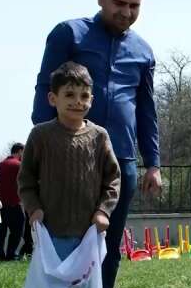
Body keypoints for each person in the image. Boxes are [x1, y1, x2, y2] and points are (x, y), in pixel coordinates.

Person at [32, 0, 161, 288]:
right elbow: (44, 89)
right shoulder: (68, 34)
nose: (125, 12)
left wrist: (152, 162)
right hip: (68, 157)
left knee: (107, 246)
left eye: (134, 6)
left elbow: (146, 110)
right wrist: (46, 146)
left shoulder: (143, 50)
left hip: (121, 161)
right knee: (63, 244)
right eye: (119, 3)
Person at [18, 61, 122, 271]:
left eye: (84, 96)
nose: (77, 101)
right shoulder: (41, 136)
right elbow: (26, 179)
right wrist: (34, 209)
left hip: (90, 234)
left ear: (92, 100)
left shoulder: (99, 136)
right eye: (69, 94)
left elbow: (113, 178)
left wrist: (104, 211)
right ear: (52, 98)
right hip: (52, 233)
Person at [0, 143, 25, 261]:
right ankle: (11, 253)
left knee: (1, 231)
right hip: (15, 203)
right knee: (17, 230)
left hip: (1, 204)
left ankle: (0, 253)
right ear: (20, 151)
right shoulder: (19, 165)